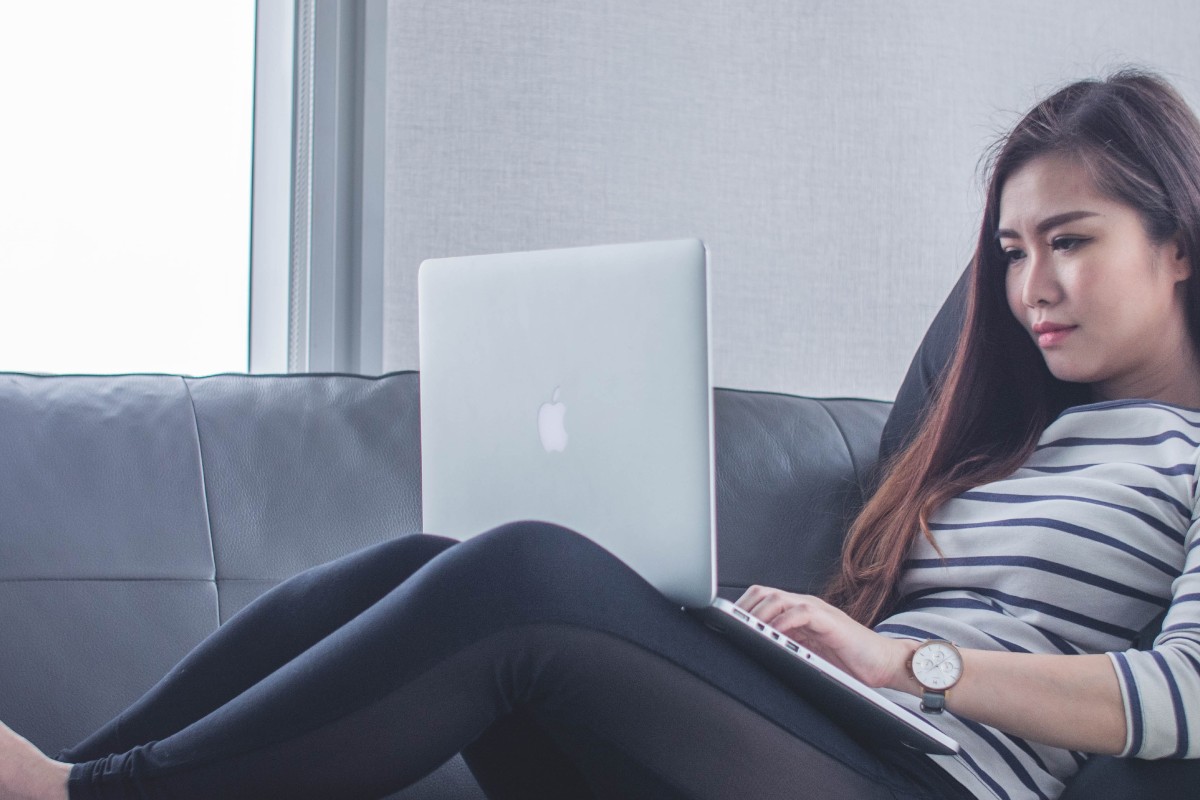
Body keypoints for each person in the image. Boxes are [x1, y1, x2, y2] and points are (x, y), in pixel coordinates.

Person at [3, 67, 1200, 800]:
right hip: (840, 737)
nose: (1028, 283)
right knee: (445, 560)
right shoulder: (1024, 437)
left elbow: (1185, 692)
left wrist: (910, 662)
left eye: (1071, 239)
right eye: (1007, 251)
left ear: (1178, 242)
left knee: (530, 571)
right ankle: (79, 767)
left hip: (937, 780)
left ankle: (89, 792)